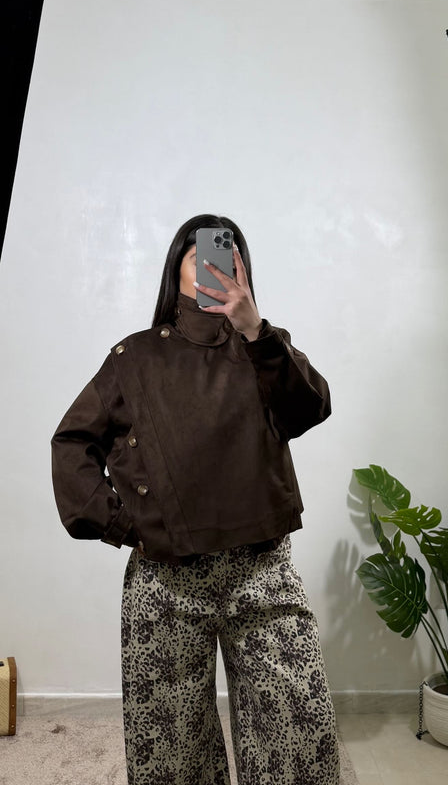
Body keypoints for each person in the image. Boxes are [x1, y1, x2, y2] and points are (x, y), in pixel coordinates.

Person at [51, 214, 340, 785]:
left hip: (262, 569)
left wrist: (255, 329)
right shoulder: (134, 357)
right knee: (172, 755)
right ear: (175, 271)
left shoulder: (264, 348)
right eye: (199, 255)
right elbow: (72, 442)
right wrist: (123, 525)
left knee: (298, 734)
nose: (216, 264)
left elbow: (312, 407)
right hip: (167, 580)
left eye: (230, 255)